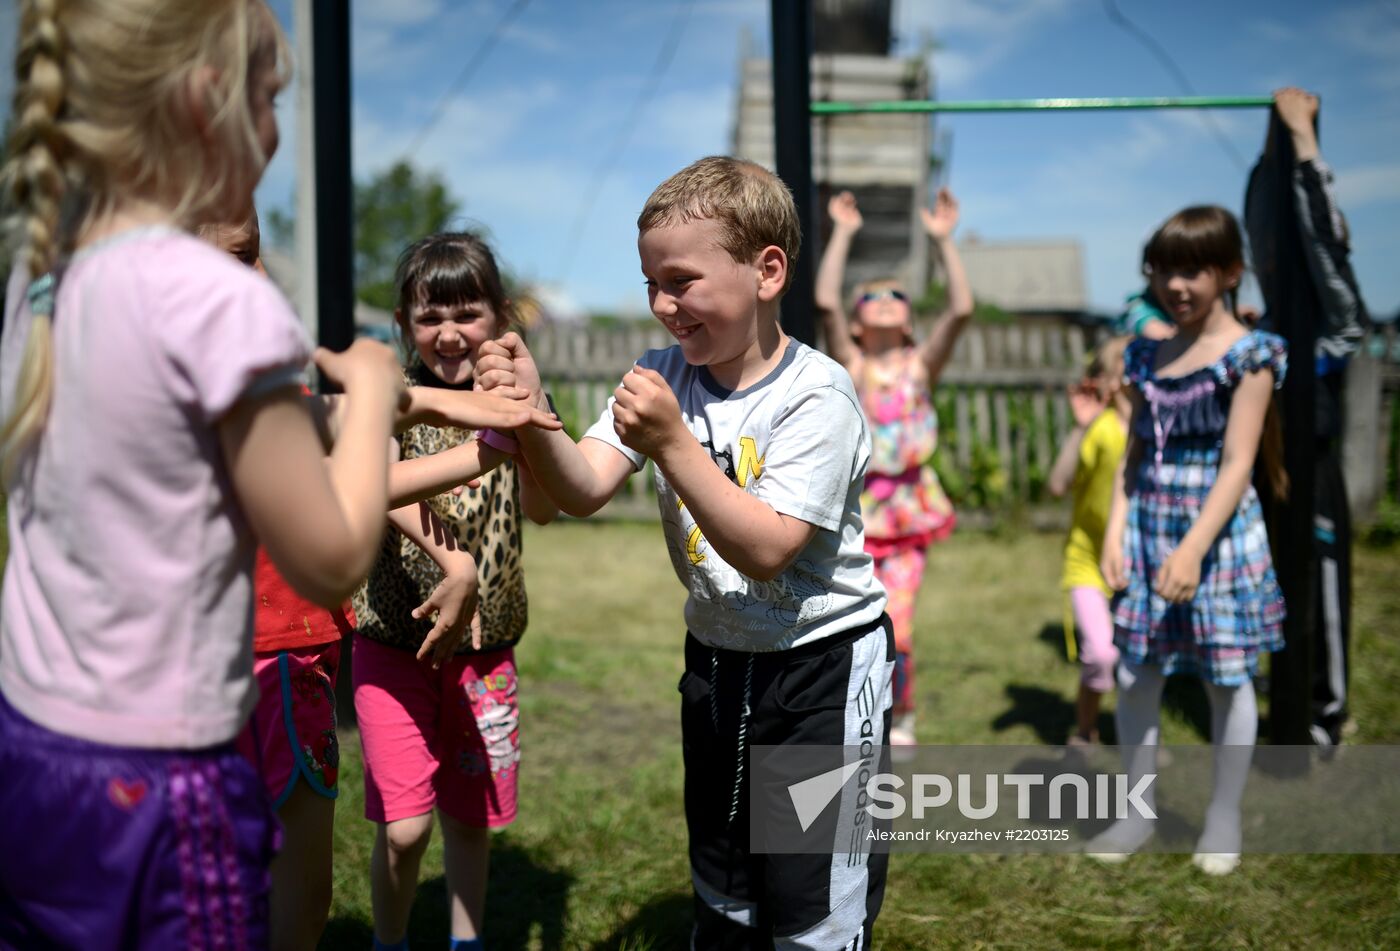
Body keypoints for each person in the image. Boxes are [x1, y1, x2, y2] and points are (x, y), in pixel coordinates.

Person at [0, 3, 405, 945]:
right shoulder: (221, 299)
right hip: (159, 775)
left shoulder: (42, 287)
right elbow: (333, 556)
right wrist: (379, 390)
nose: (273, 128)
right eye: (269, 98)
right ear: (204, 101)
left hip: (28, 745)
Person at [474, 156, 893, 951]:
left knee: (811, 898)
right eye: (650, 285)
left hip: (820, 677)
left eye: (682, 281)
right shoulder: (665, 373)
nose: (664, 305)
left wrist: (670, 439)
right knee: (725, 879)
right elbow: (581, 488)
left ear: (767, 271)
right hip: (718, 660)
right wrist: (535, 413)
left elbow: (768, 547)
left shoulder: (818, 394)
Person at [199, 208, 500, 951]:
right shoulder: (216, 400)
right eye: (243, 257)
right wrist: (472, 433)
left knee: (816, 856)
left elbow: (361, 447)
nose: (264, 280)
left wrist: (488, 435)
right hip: (273, 658)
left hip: (820, 669)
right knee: (270, 885)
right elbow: (354, 456)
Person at [351, 231, 560, 951]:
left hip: (484, 650)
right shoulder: (393, 399)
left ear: (500, 316)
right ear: (404, 321)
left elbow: (541, 506)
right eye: (427, 314)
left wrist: (528, 416)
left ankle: (467, 940)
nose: (447, 332)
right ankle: (390, 939)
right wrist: (455, 564)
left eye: (467, 312)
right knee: (405, 827)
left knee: (471, 818)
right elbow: (376, 487)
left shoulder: (516, 398)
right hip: (392, 644)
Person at [1093, 206, 1288, 877]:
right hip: (1149, 526)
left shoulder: (1252, 354)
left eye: (1194, 269)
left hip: (1218, 533)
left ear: (1230, 272)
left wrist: (1195, 549)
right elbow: (1136, 448)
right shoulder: (1145, 352)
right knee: (1135, 670)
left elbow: (1238, 462)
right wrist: (1116, 529)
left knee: (1225, 677)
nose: (1177, 283)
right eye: (1165, 269)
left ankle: (1224, 815)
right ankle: (1137, 810)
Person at [813, 187, 973, 746]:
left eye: (896, 292)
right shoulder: (851, 362)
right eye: (872, 294)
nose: (884, 297)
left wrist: (942, 242)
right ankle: (857, 711)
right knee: (852, 623)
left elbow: (961, 309)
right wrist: (844, 233)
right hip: (855, 511)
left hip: (907, 514)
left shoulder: (920, 365)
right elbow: (827, 300)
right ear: (856, 325)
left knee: (897, 626)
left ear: (908, 320)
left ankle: (899, 711)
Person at [1245, 87, 1368, 750]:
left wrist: (1306, 146)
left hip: (1312, 469)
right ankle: (1281, 686)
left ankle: (1323, 712)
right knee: (1272, 583)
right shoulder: (1268, 327)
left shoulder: (1333, 328)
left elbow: (1327, 241)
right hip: (1270, 469)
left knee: (1319, 584)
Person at [1046, 336, 1131, 748]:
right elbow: (1058, 484)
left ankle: (1140, 735)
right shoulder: (1101, 430)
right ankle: (1085, 730)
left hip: (1140, 564)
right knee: (1101, 654)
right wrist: (1080, 427)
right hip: (1089, 564)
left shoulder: (1159, 430)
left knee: (1141, 664)